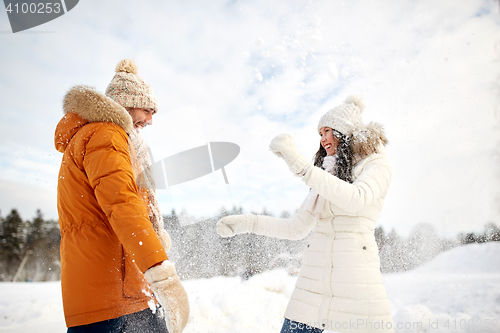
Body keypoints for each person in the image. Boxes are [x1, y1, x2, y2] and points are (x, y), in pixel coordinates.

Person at [217, 96, 393, 333]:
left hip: (355, 288)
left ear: (344, 132)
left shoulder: (376, 165)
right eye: (320, 133)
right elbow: (296, 228)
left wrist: (301, 166)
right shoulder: (328, 173)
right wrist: (247, 222)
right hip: (311, 290)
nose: (322, 139)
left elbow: (355, 199)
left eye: (328, 131)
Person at [54, 59, 189, 333]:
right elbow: (124, 205)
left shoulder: (103, 139)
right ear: (126, 103)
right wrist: (161, 272)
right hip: (112, 300)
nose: (151, 119)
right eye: (147, 110)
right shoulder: (106, 134)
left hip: (120, 293)